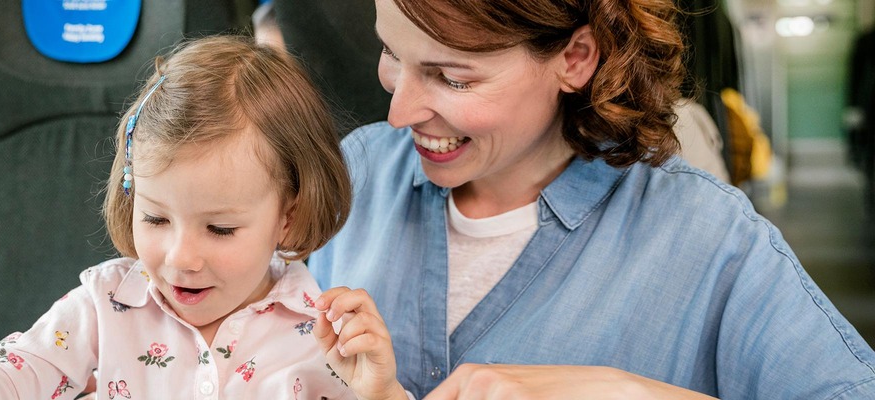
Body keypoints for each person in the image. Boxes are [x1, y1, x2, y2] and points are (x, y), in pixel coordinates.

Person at [308, 0, 875, 399]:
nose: (398, 114)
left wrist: (628, 393)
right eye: (390, 53)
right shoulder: (358, 171)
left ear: (575, 59)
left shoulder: (706, 235)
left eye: (452, 78)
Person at [0, 35, 404, 400]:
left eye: (220, 228)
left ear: (288, 219)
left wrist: (381, 393)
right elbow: (3, 372)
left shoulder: (324, 337)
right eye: (155, 219)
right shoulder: (104, 306)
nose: (181, 258)